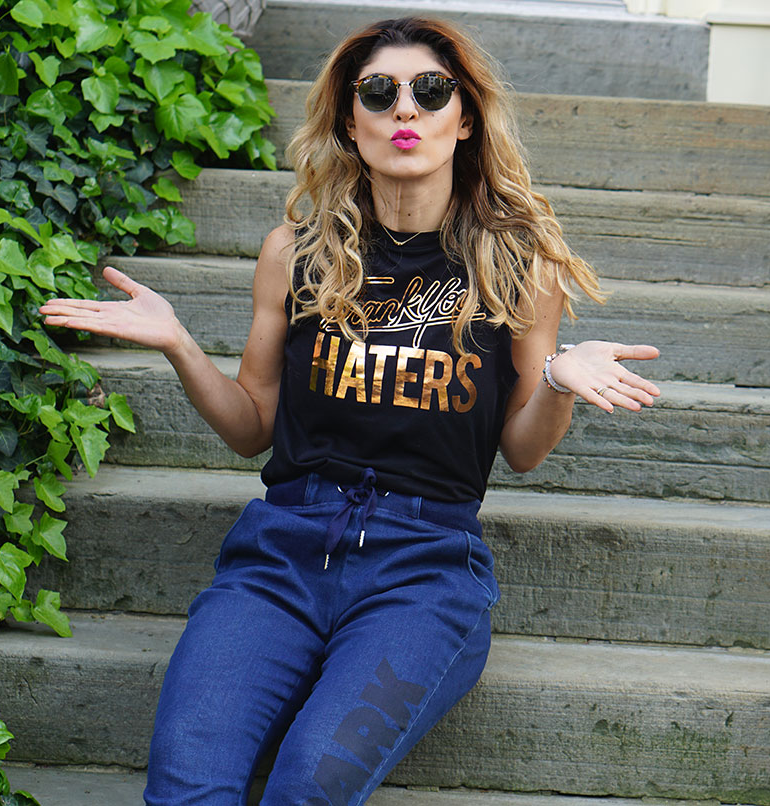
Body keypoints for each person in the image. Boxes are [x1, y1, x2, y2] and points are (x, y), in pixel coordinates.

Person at [40, 16, 660, 806]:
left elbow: (523, 450)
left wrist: (558, 384)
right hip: (281, 555)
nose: (405, 109)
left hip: (424, 571)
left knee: (306, 789)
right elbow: (250, 428)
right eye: (378, 92)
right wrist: (178, 343)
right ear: (349, 121)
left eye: (430, 90)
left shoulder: (516, 266)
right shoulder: (296, 253)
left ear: (464, 119)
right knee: (186, 786)